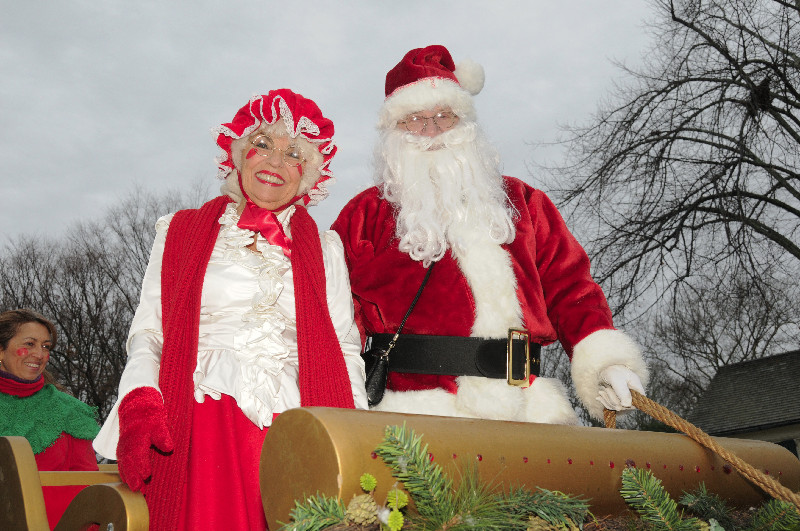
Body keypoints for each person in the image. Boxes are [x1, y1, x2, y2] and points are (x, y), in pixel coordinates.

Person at [93, 89, 368, 531]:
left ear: (311, 174)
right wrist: (140, 400)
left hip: (296, 428)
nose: (275, 162)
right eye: (262, 144)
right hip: (201, 423)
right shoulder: (179, 231)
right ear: (238, 156)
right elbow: (149, 332)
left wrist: (355, 438)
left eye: (293, 153)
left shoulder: (327, 248)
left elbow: (343, 347)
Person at [332, 45, 648, 425]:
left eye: (444, 116)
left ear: (466, 124)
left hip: (528, 414)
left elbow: (572, 291)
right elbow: (334, 317)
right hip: (411, 422)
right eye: (414, 119)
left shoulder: (525, 203)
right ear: (393, 132)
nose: (431, 131)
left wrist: (606, 364)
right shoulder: (365, 215)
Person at [0, 309, 100, 529]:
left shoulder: (68, 411)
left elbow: (87, 486)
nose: (39, 354)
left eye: (45, 346)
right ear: (1, 350)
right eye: (30, 343)